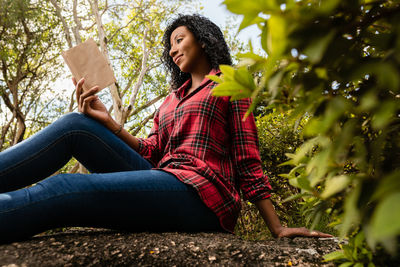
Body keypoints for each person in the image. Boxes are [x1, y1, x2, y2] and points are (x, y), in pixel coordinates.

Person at [0, 14, 331, 243]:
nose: (172, 50)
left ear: (203, 40)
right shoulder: (173, 100)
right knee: (75, 124)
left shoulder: (230, 84)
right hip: (165, 178)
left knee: (63, 188)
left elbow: (247, 158)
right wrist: (109, 123)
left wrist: (277, 227)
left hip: (201, 195)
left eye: (179, 40)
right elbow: (150, 151)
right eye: (169, 46)